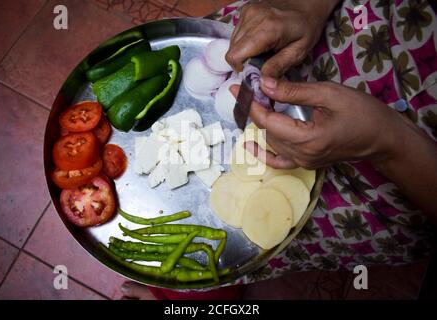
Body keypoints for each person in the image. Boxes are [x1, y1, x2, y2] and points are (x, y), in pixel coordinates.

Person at [122, 0, 437, 299]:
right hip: (335, 27)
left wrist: (385, 142)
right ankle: (177, 292)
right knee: (231, 46)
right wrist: (309, 6)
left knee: (241, 251)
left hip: (401, 180)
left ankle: (189, 296)